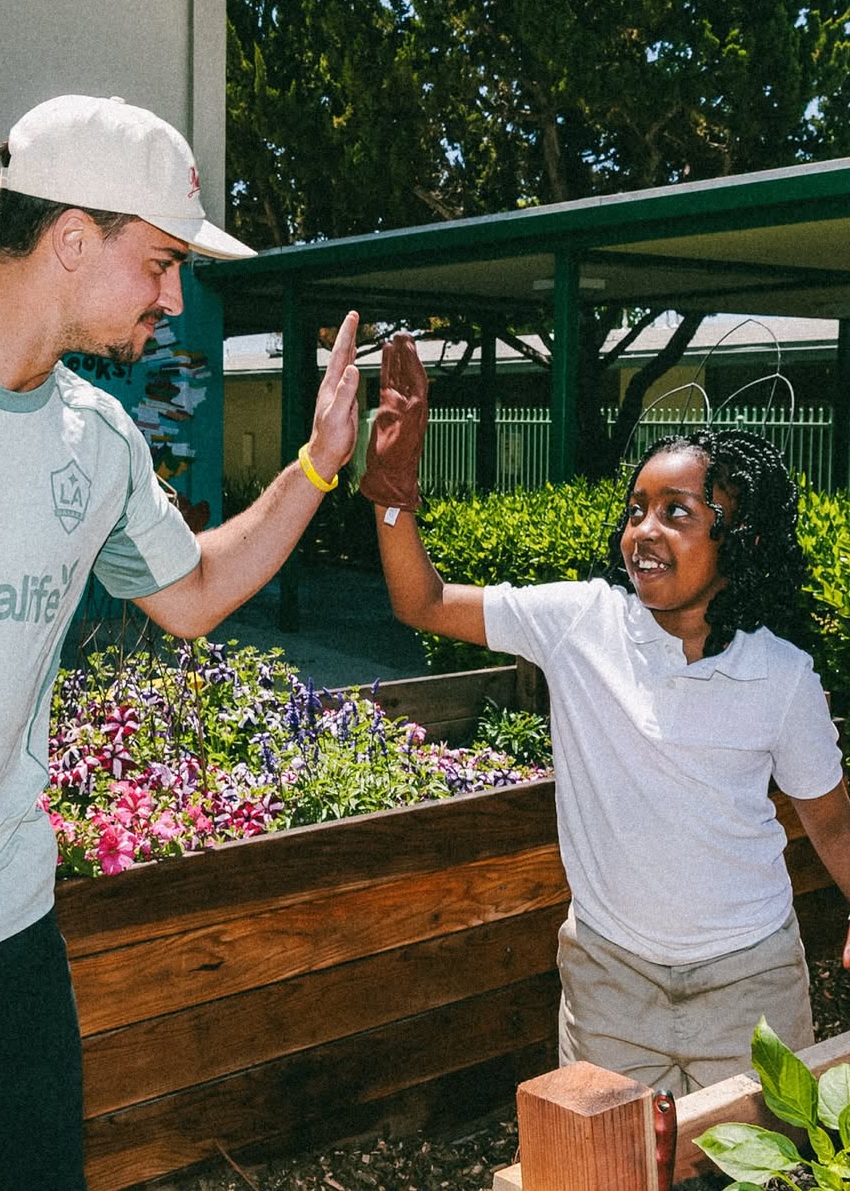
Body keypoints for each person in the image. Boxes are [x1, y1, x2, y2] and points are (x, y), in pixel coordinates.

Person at [0, 94, 360, 1189]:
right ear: (75, 238)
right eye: (162, 263)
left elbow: (192, 594)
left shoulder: (99, 438)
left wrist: (319, 465)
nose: (174, 298)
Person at [360, 331, 850, 1096]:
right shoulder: (579, 622)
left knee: (764, 1158)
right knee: (601, 1155)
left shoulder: (781, 676)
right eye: (636, 510)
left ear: (740, 540)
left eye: (677, 513)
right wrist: (393, 491)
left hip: (750, 981)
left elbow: (834, 824)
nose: (643, 531)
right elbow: (421, 601)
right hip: (609, 982)